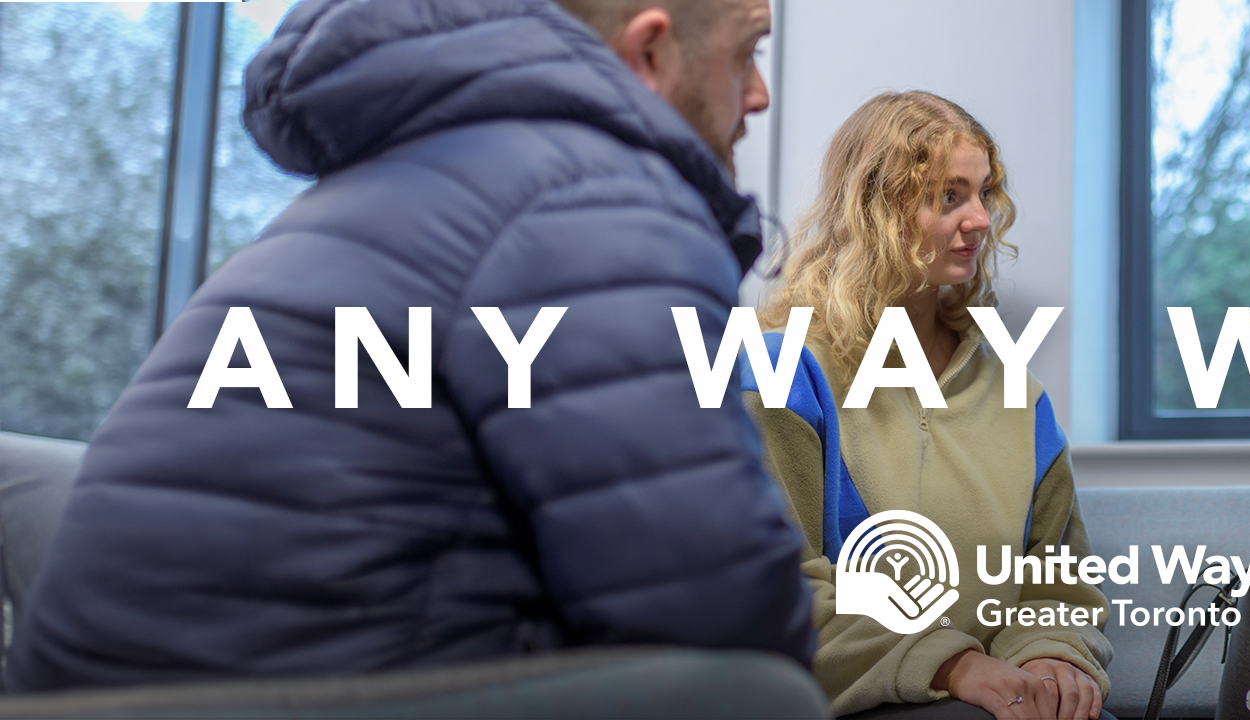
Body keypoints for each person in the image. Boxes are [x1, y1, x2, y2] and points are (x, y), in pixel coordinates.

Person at [6, 0, 814, 691]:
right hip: (279, 699)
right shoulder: (595, 199)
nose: (760, 94)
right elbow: (711, 604)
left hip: (136, 692)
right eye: (746, 52)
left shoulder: (424, 180)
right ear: (649, 52)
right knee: (755, 693)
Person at [745, 91, 1112, 720]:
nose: (980, 220)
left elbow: (1057, 584)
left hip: (994, 700)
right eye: (948, 196)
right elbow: (773, 591)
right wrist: (952, 664)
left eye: (983, 194)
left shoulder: (1020, 397)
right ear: (874, 209)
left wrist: (1051, 653)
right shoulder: (781, 372)